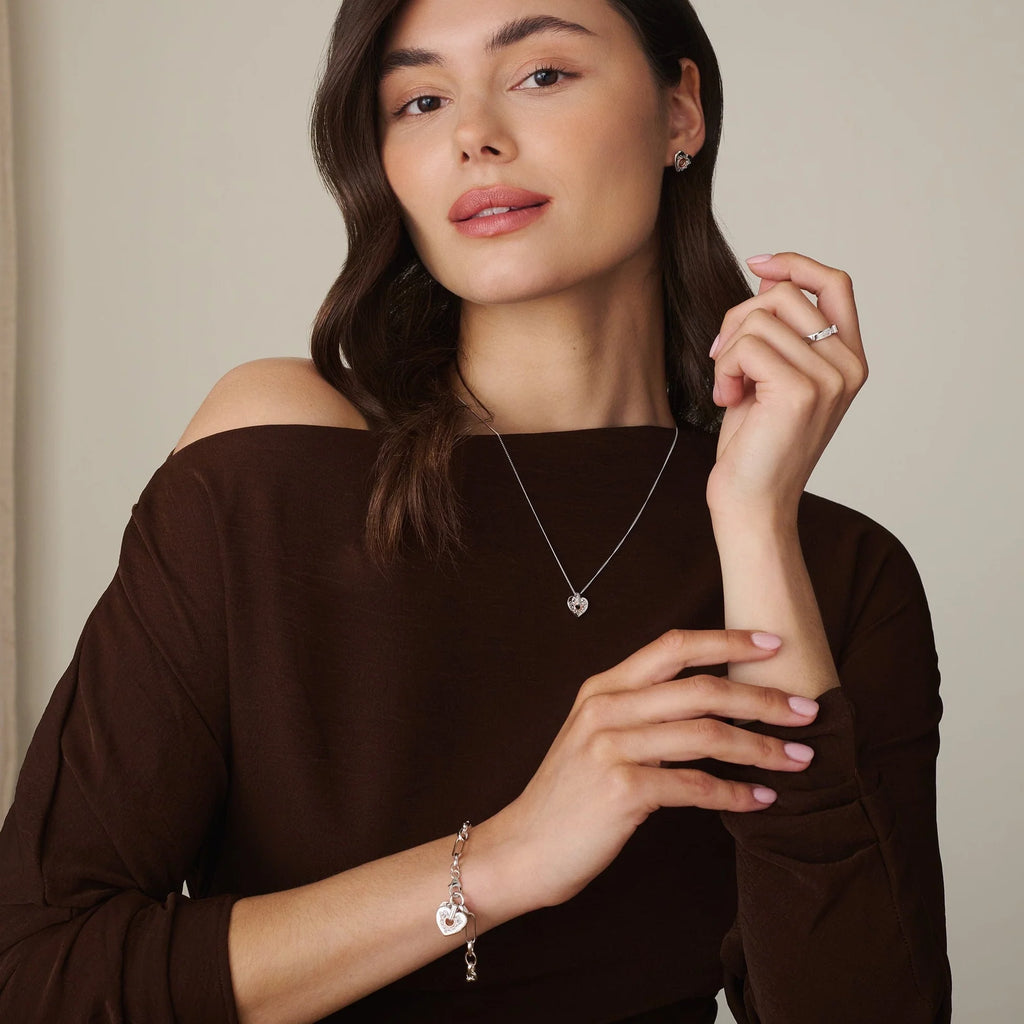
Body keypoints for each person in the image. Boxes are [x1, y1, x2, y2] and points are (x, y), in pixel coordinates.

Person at [0, 1, 953, 1021]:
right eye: (419, 99)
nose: (474, 135)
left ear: (680, 111)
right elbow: (37, 972)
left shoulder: (834, 570)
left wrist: (755, 518)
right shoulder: (279, 460)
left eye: (541, 75)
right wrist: (500, 861)